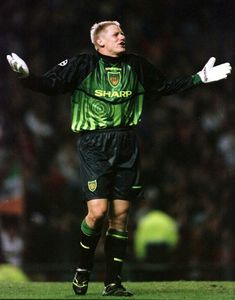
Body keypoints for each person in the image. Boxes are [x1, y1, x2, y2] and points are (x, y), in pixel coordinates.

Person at [6, 20, 231, 297]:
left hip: (126, 143)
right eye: (116, 34)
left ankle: (112, 282)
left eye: (123, 33)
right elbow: (50, 85)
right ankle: (83, 268)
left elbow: (162, 87)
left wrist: (199, 78)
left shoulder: (136, 65)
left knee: (121, 216)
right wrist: (26, 78)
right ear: (100, 41)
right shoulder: (83, 65)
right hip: (94, 143)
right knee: (98, 212)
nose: (122, 37)